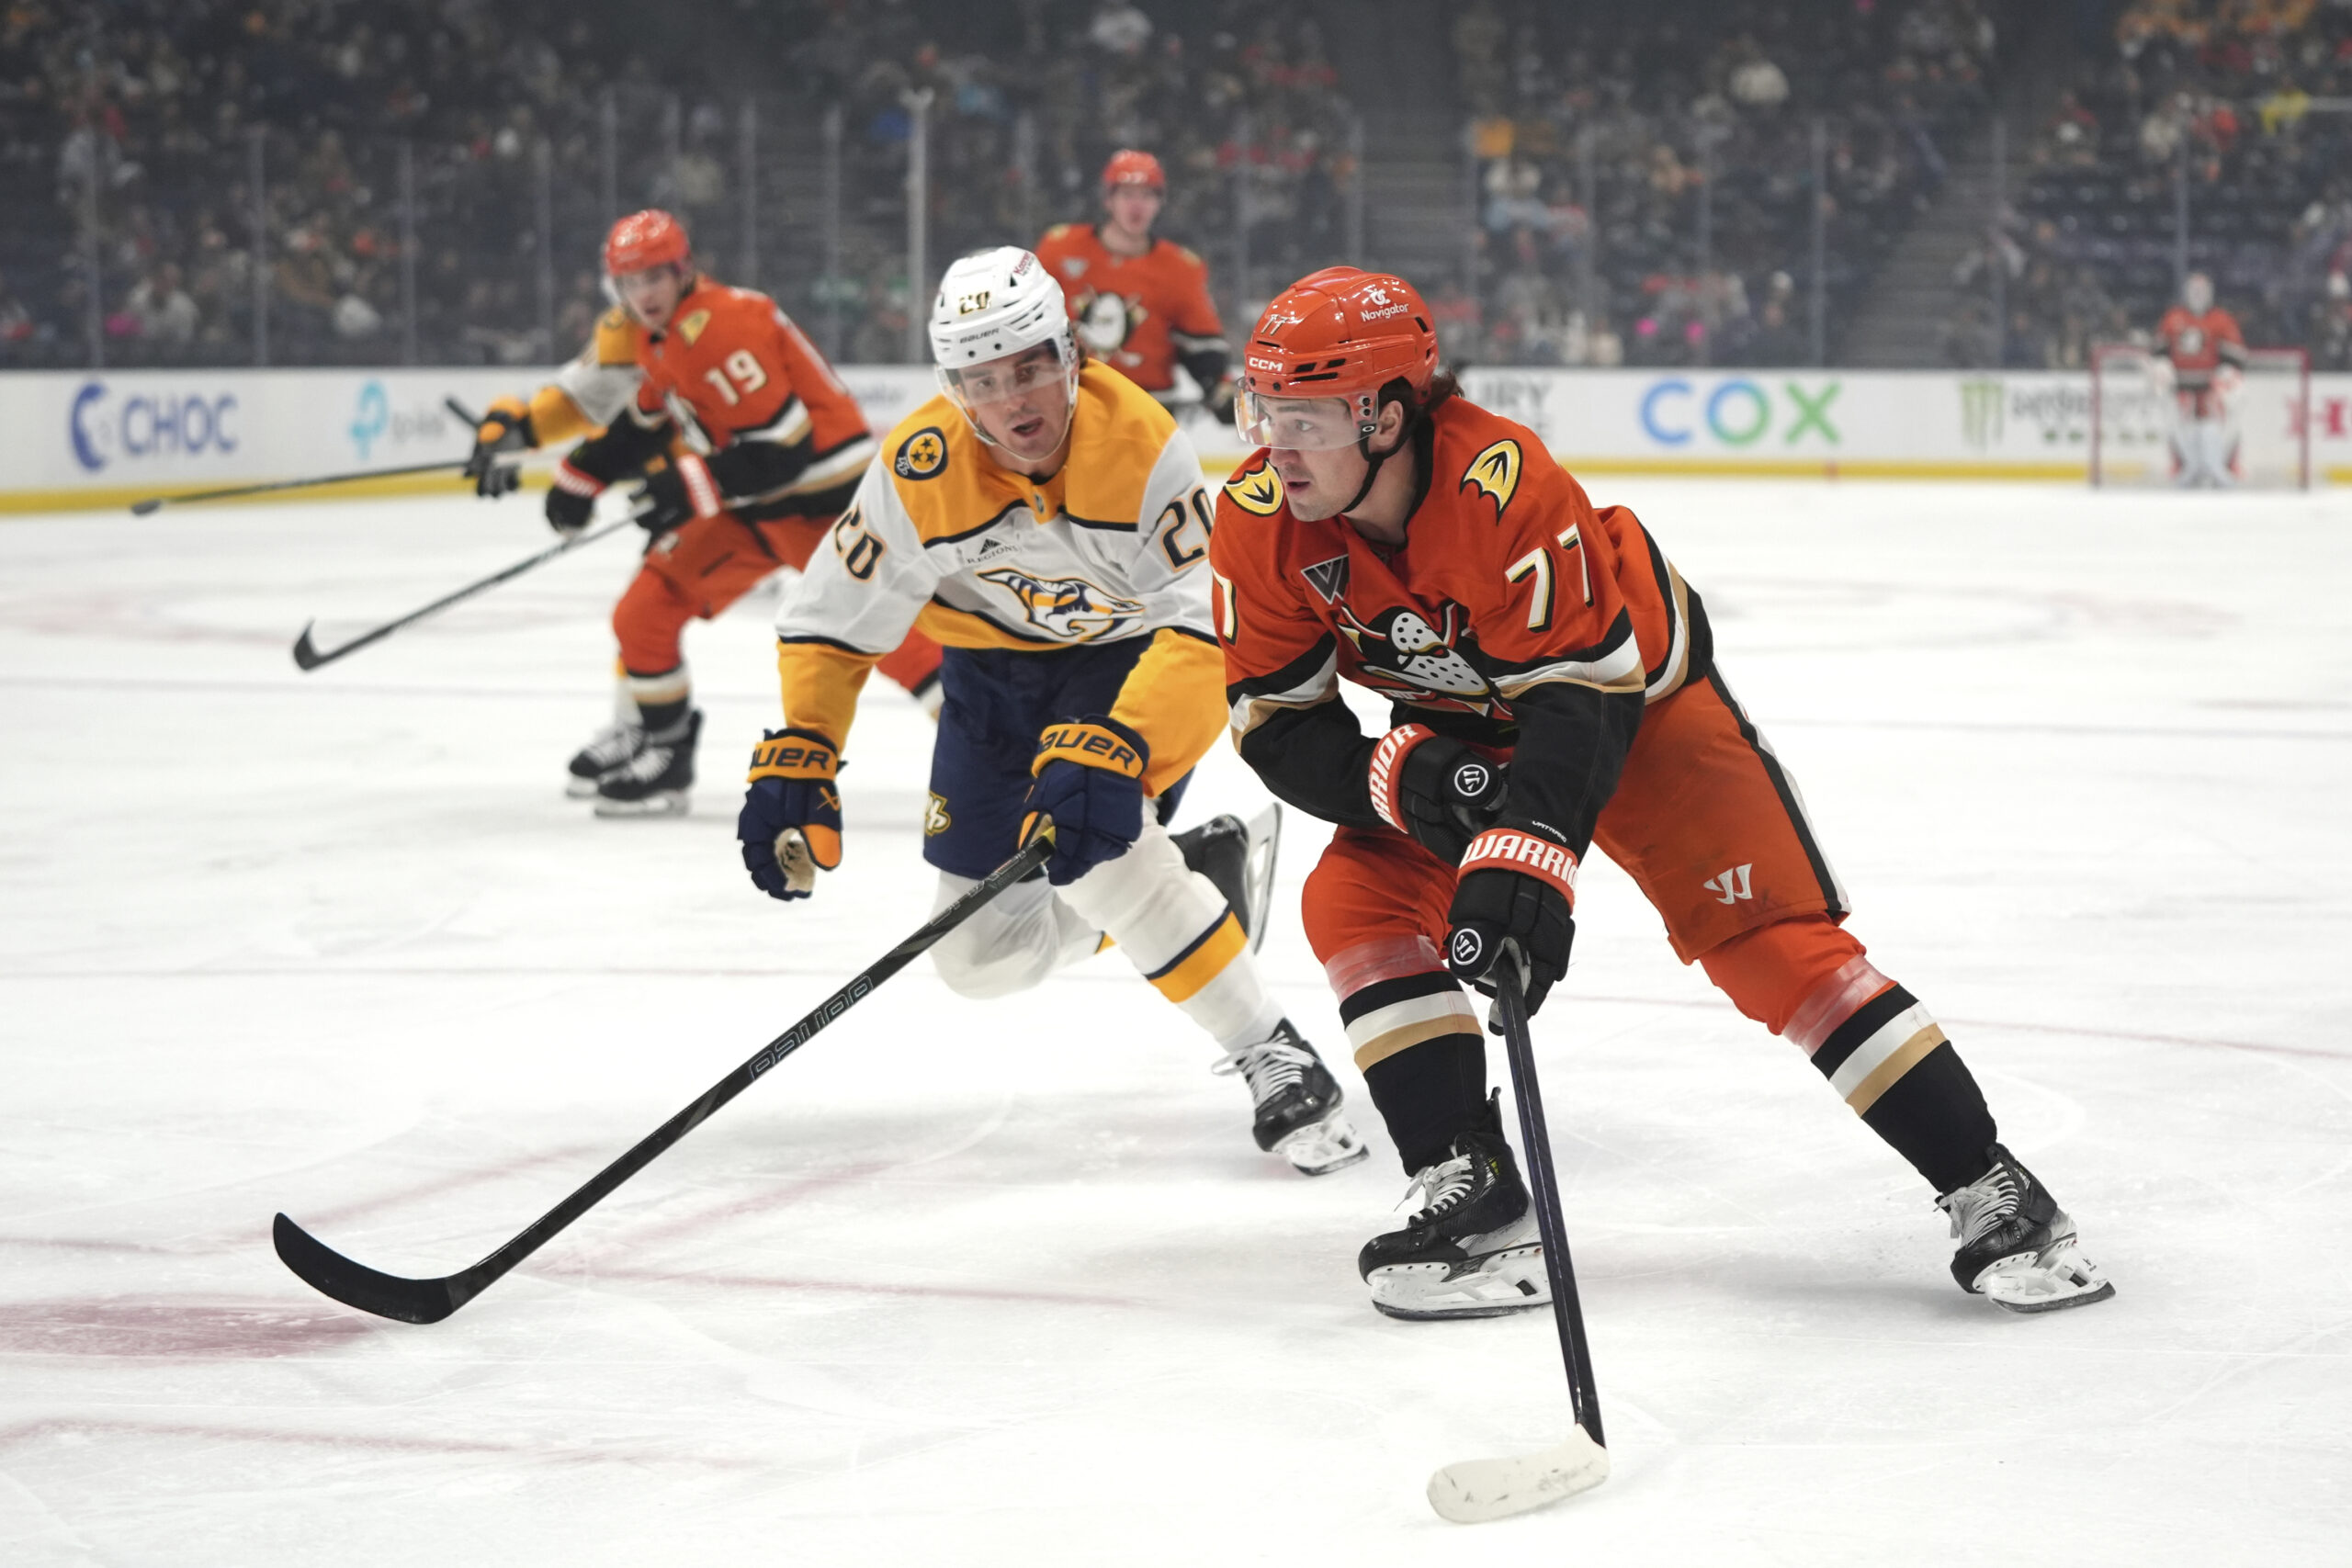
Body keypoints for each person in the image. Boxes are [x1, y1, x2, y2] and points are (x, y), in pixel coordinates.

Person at [1210, 265, 2115, 1320]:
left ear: (1389, 414)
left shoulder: (1499, 483)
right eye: (1260, 408)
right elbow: (1276, 723)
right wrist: (1405, 779)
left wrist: (1526, 859)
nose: (1273, 442)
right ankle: (1473, 1188)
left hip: (1632, 707)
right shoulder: (1261, 517)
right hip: (1470, 729)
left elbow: (1581, 698)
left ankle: (1989, 1182)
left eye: (1305, 415)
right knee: (1353, 902)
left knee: (1769, 947)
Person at [731, 245, 1365, 1177]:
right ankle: (1194, 875)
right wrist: (804, 746)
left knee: (1107, 860)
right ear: (954, 387)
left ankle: (1271, 1048)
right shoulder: (918, 468)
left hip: (1121, 668)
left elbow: (1206, 621)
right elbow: (831, 619)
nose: (1014, 399)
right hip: (990, 686)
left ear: (1071, 356)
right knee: (980, 955)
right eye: (984, 379)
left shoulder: (1140, 444)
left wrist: (1124, 744)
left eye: (1029, 365)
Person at [463, 209, 944, 815]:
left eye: (655, 277)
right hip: (755, 508)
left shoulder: (723, 324)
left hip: (825, 508)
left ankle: (990, 761)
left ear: (683, 269)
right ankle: (664, 753)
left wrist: (684, 486)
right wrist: (579, 477)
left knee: (900, 643)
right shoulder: (651, 334)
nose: (644, 294)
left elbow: (785, 449)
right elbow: (643, 417)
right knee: (644, 610)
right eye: (630, 282)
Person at [1035, 151, 1234, 420]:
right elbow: (1032, 320)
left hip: (1148, 409)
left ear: (1159, 202)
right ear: (1108, 199)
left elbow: (1201, 344)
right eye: (1127, 195)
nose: (1136, 206)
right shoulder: (1059, 248)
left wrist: (1217, 386)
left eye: (1147, 195)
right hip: (1073, 403)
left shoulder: (1180, 267)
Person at [2152, 270, 2248, 489]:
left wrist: (2226, 374)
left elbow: (2237, 356)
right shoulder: (2173, 317)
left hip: (2212, 387)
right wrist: (2162, 369)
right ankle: (2180, 466)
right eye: (2193, 291)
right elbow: (2159, 351)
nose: (2197, 295)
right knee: (2176, 427)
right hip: (2180, 386)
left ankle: (2227, 465)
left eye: (2201, 291)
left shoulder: (2221, 319)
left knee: (2222, 427)